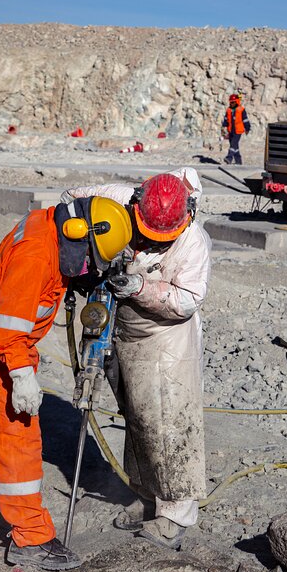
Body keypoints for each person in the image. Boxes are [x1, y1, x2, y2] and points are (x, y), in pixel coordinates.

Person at [0, 195, 133, 571]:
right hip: (1, 355)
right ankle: (32, 539)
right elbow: (7, 332)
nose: (88, 267)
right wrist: (22, 376)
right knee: (16, 441)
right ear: (77, 234)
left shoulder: (50, 226)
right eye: (89, 258)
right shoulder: (34, 257)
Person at [62, 167, 211, 552]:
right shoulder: (117, 197)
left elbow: (187, 301)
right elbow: (70, 201)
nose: (148, 241)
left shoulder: (193, 241)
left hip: (165, 338)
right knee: (138, 415)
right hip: (121, 326)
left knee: (168, 419)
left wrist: (142, 286)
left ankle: (175, 515)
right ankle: (148, 498)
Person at [222, 92, 251, 165]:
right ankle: (238, 161)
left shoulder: (241, 110)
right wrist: (224, 127)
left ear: (237, 102)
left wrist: (247, 128)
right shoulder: (228, 110)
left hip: (238, 131)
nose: (232, 104)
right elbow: (226, 119)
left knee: (233, 145)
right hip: (231, 131)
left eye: (233, 102)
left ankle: (229, 158)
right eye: (231, 102)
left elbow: (245, 120)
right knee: (235, 147)